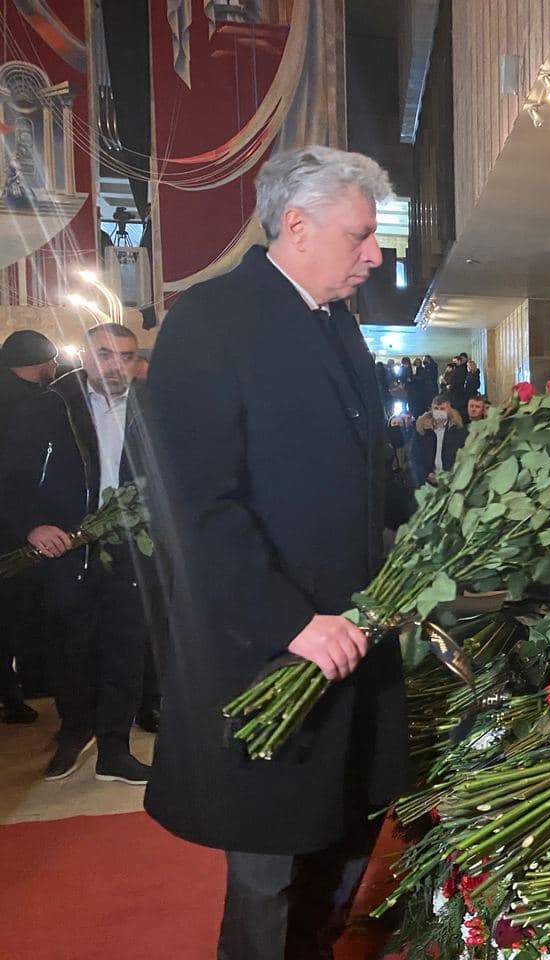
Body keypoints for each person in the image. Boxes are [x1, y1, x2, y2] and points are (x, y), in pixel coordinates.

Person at [141, 146, 408, 960]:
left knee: (348, 836)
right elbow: (195, 506)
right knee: (271, 870)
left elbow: (367, 472)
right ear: (297, 226)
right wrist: (292, 621)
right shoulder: (210, 319)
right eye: (361, 235)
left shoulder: (337, 322)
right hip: (274, 648)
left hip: (357, 635)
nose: (375, 255)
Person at [0, 323, 150, 780]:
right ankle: (74, 730)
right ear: (84, 357)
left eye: (125, 356)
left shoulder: (152, 407)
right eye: (104, 354)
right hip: (66, 546)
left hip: (131, 545)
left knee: (126, 646)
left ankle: (114, 748)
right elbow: (10, 477)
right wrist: (32, 525)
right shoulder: (50, 407)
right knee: (69, 646)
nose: (114, 365)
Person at [0, 330, 60, 723]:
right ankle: (18, 690)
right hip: (17, 526)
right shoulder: (32, 405)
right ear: (43, 364)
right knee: (15, 613)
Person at [412, 394, 467, 485]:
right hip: (428, 481)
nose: (439, 412)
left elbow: (463, 455)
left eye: (442, 409)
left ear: (449, 410)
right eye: (436, 408)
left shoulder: (458, 431)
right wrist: (426, 474)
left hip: (452, 480)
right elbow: (415, 457)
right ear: (431, 409)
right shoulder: (422, 430)